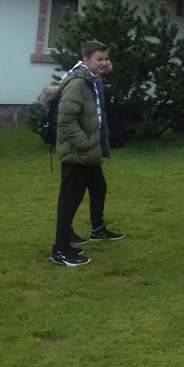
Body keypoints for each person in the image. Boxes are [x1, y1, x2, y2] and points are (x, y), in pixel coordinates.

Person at [49, 40, 124, 267]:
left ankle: (97, 230)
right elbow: (65, 121)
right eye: (99, 59)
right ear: (86, 59)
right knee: (69, 201)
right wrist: (84, 144)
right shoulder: (77, 83)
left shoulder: (92, 79)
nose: (104, 63)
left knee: (98, 187)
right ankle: (60, 250)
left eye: (106, 59)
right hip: (78, 153)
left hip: (89, 153)